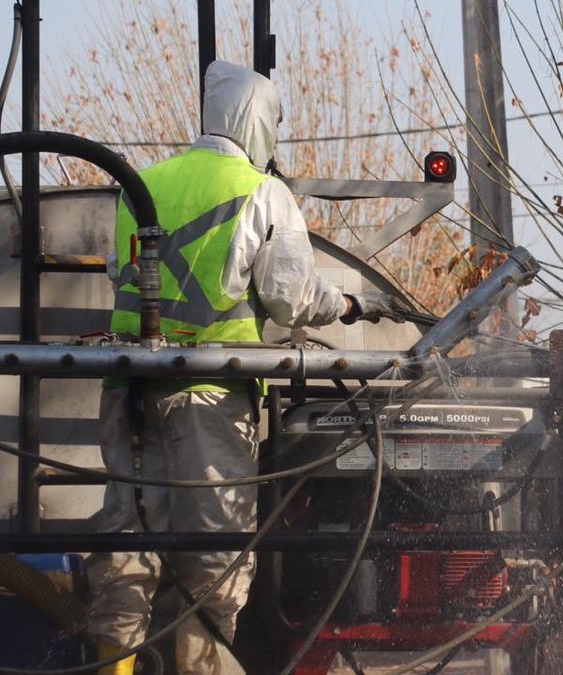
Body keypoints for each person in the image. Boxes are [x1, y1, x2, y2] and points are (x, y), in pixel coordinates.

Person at [86, 60, 408, 675]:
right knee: (216, 552)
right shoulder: (261, 192)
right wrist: (342, 305)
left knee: (126, 540)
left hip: (127, 390)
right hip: (210, 396)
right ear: (257, 119)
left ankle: (110, 666)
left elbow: (118, 272)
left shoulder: (142, 184)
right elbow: (289, 295)